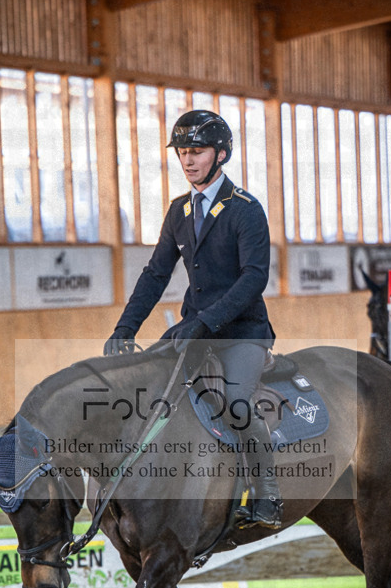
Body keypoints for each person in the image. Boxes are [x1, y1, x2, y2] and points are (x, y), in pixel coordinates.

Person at [103, 109, 282, 529]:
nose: (187, 160)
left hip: (242, 332)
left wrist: (208, 322)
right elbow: (155, 273)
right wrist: (124, 328)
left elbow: (254, 278)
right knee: (150, 395)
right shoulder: (179, 210)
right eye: (182, 152)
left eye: (196, 151)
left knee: (236, 404)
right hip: (193, 329)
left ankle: (266, 496)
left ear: (221, 155)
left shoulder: (245, 209)